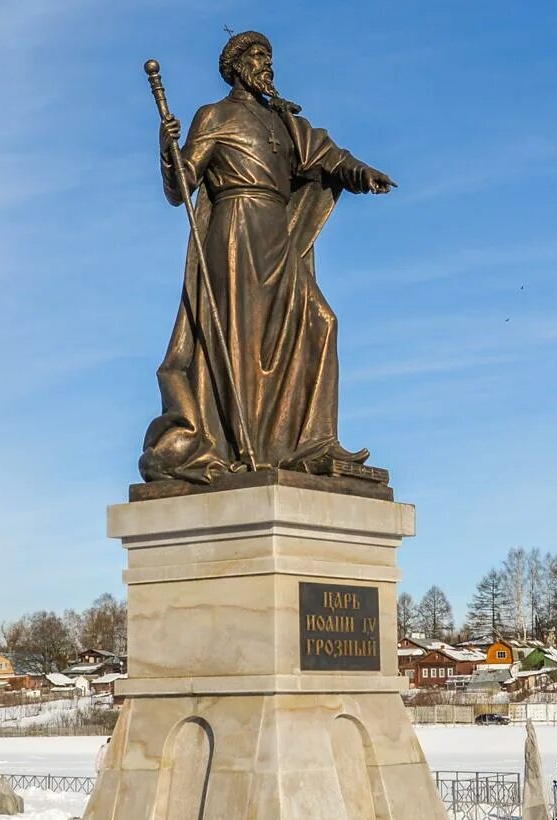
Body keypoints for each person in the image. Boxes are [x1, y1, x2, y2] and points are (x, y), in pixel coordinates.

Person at [139, 30, 397, 482]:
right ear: (236, 66)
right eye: (258, 56)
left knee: (320, 322)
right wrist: (167, 148)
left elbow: (329, 157)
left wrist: (361, 172)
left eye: (269, 56)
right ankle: (241, 443)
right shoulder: (214, 115)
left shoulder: (285, 123)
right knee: (242, 336)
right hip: (235, 230)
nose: (267, 64)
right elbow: (182, 188)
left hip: (278, 229)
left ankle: (313, 443)